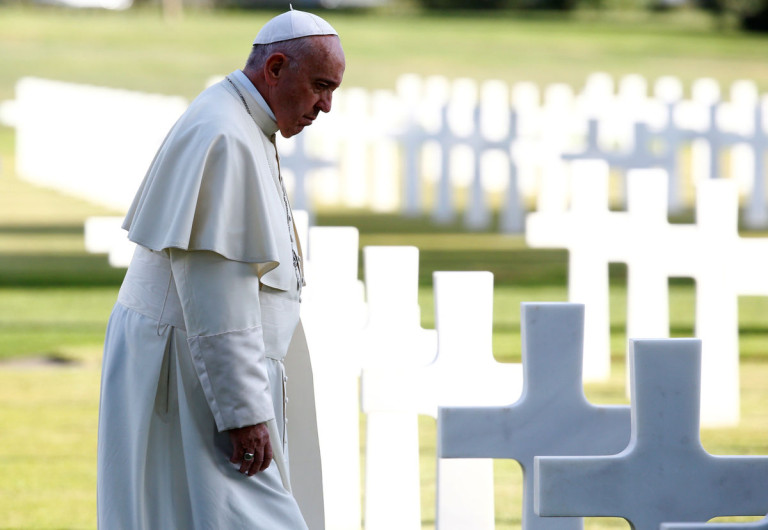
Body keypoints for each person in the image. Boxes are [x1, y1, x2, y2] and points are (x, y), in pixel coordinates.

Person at [96, 9, 345, 529]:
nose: (326, 106)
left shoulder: (241, 120)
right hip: (192, 375)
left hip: (203, 365)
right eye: (321, 86)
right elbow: (216, 290)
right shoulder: (225, 135)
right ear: (275, 67)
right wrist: (242, 412)